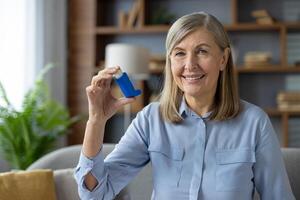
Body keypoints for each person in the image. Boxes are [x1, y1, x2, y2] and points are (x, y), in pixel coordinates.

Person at [74, 12, 295, 200]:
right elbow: (96, 194)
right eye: (179, 53)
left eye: (202, 51)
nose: (190, 65)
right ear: (170, 61)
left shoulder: (254, 123)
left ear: (223, 59)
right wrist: (96, 120)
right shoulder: (151, 120)